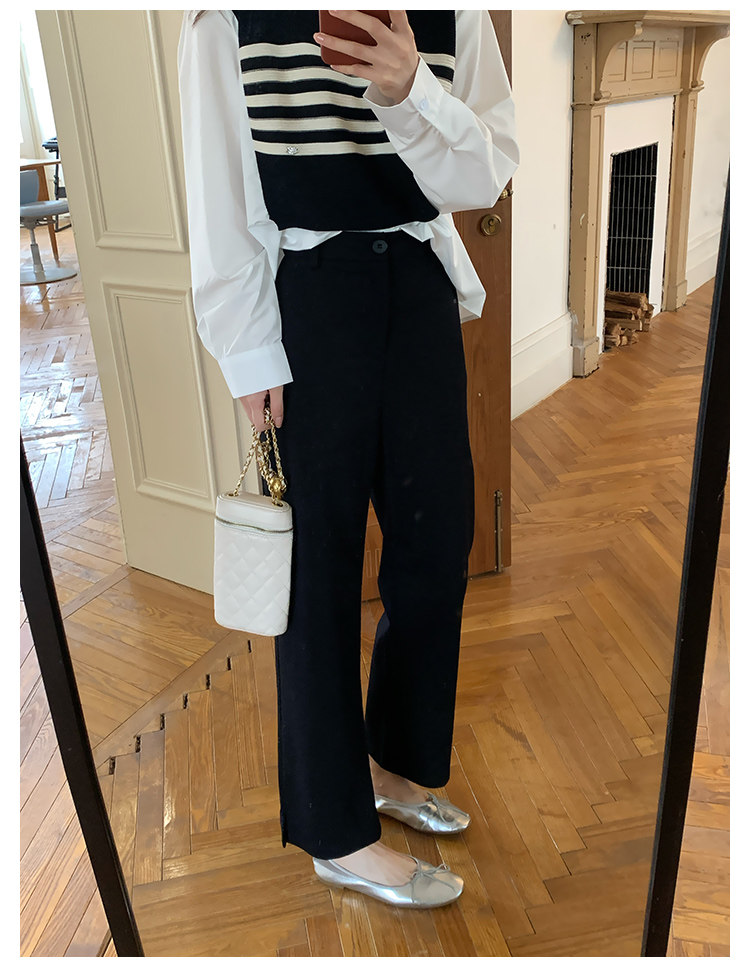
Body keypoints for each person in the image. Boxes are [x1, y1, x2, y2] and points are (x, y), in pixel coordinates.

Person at [177, 8, 519, 909]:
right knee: (316, 572)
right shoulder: (230, 19)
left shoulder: (454, 13)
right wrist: (248, 353)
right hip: (308, 298)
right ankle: (337, 832)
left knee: (435, 544)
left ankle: (395, 766)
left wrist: (411, 91)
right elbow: (220, 194)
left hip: (419, 283)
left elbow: (485, 172)